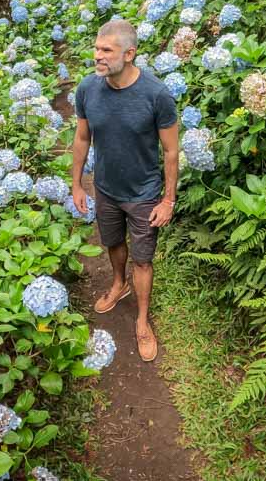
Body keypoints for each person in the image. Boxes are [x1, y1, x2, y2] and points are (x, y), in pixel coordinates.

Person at [71, 19, 179, 361]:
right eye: (96, 48)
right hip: (105, 188)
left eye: (106, 50)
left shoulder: (156, 94)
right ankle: (119, 283)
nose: (97, 56)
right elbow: (82, 138)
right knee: (113, 243)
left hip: (144, 194)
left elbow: (172, 151)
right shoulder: (88, 89)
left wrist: (168, 200)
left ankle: (143, 321)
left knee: (143, 259)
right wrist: (76, 184)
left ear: (129, 54)